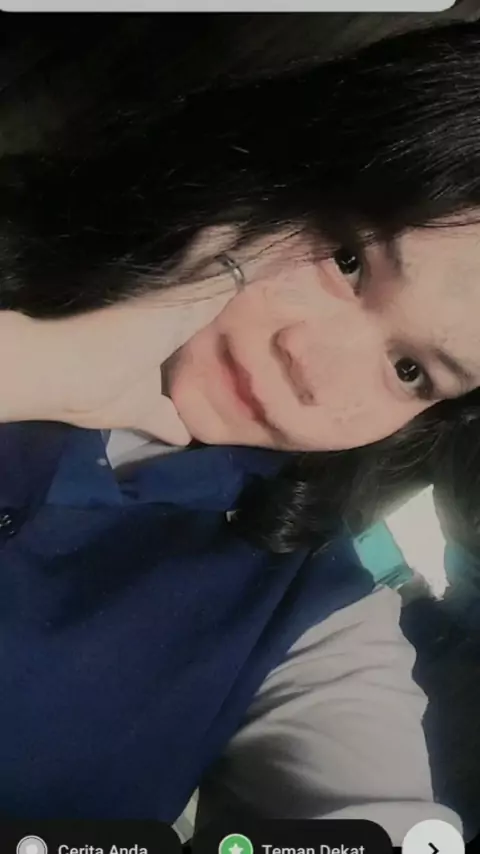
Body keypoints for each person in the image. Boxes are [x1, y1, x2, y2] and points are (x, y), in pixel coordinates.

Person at [0, 15, 479, 843]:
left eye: (410, 371)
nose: (312, 368)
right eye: (348, 260)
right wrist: (39, 366)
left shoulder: (313, 607)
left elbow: (377, 814)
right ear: (283, 168)